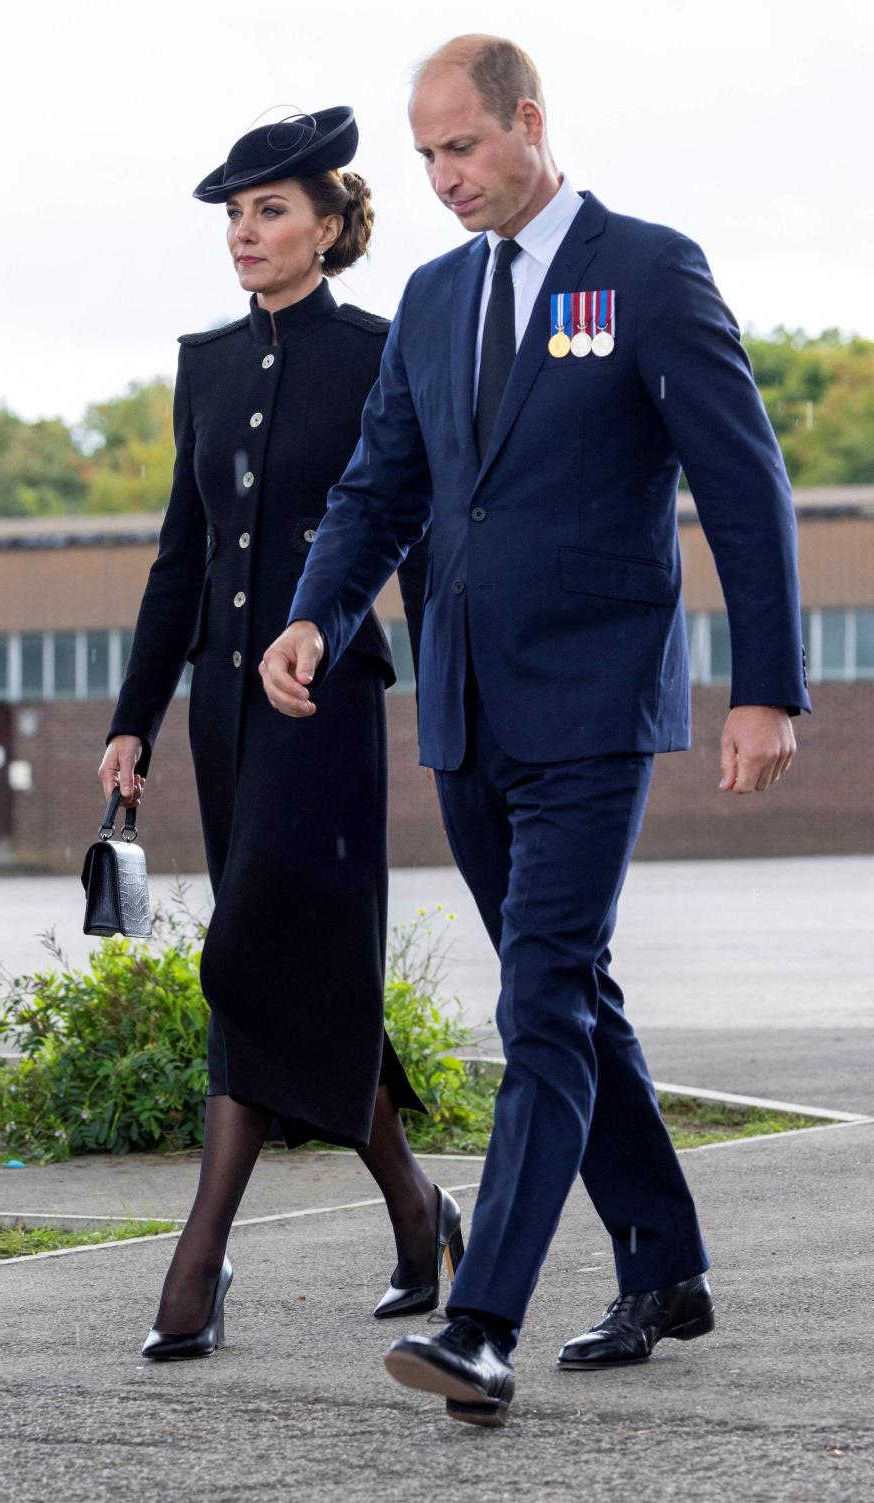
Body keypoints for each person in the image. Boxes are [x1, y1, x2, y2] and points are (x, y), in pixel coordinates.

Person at [260, 40, 810, 1426]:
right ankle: (666, 1261)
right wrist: (318, 611)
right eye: (426, 156)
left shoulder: (646, 269)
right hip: (466, 708)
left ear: (528, 125)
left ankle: (481, 1318)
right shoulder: (438, 299)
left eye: (462, 148)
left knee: (542, 1002)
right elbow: (382, 482)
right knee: (572, 994)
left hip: (592, 701)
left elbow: (744, 485)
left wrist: (766, 684)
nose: (442, 179)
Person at [99, 106, 464, 1362]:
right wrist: (131, 722)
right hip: (221, 709)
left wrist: (451, 690)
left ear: (329, 224)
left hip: (327, 701)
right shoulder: (205, 362)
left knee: (253, 945)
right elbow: (179, 558)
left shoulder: (378, 349)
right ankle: (417, 1212)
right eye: (235, 216)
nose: (245, 234)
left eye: (271, 212)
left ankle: (196, 1266)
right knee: (294, 963)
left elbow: (412, 526)